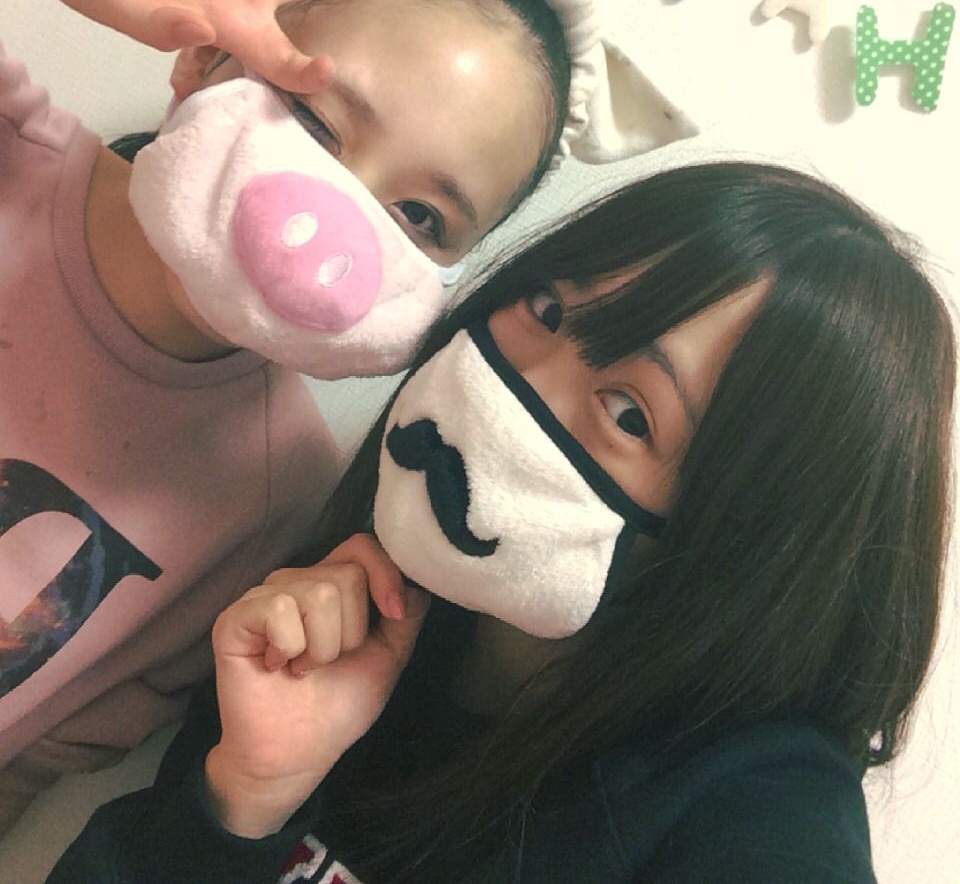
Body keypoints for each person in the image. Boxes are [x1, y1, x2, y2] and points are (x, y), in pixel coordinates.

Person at [0, 0, 690, 831]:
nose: (324, 222)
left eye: (419, 216)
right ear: (207, 55)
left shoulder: (273, 504)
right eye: (316, 119)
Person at [47, 160, 955, 883]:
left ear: (735, 543)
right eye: (549, 311)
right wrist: (245, 797)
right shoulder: (339, 617)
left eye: (630, 413)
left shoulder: (748, 805)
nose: (504, 392)